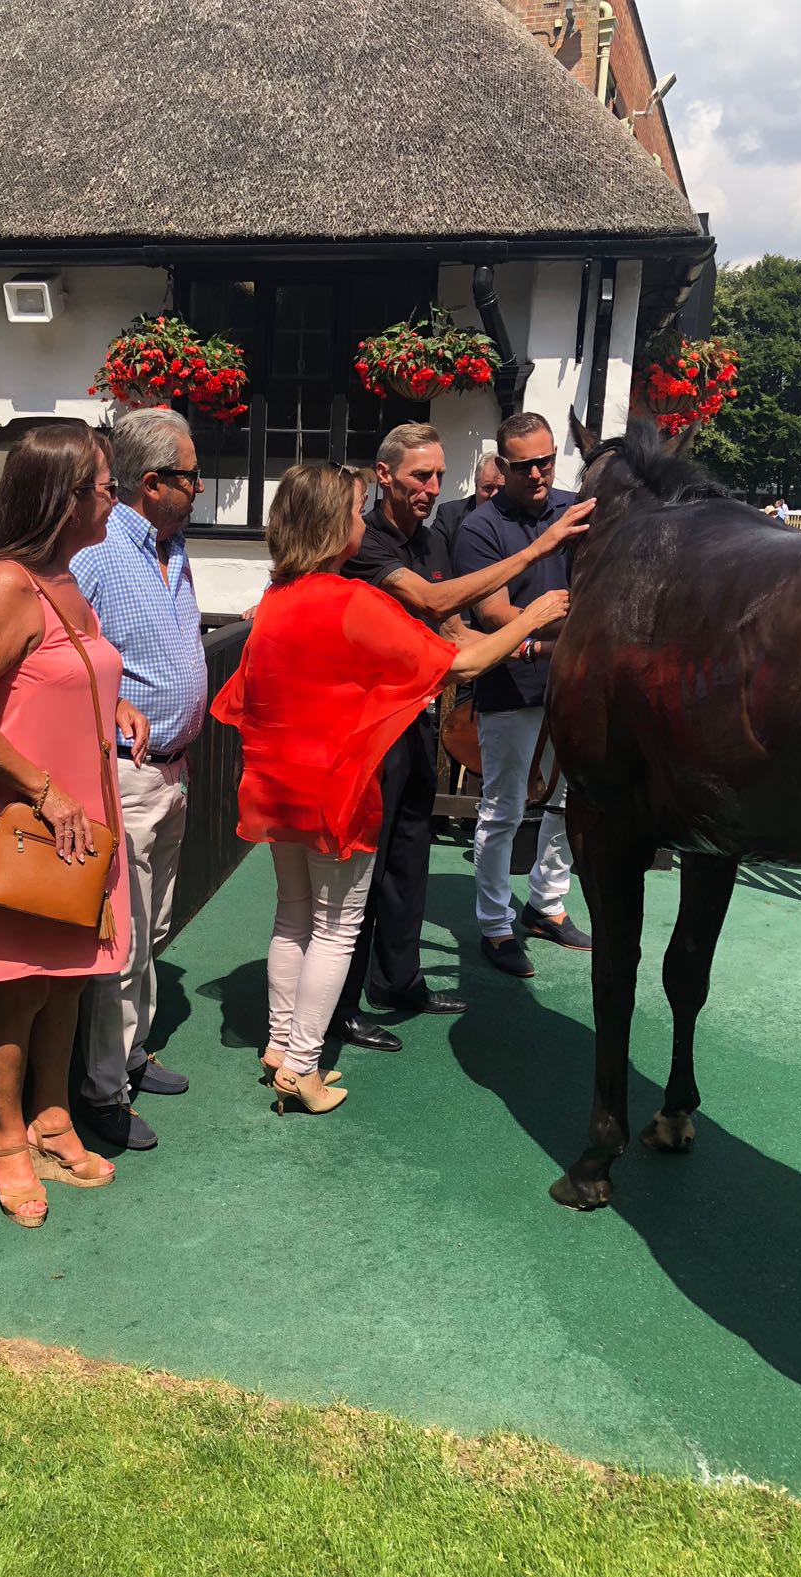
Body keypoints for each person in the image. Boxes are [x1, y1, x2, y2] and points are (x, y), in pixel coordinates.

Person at [212, 462, 569, 1112]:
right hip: (338, 786)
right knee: (336, 926)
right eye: (354, 511)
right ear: (332, 526)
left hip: (278, 779)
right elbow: (465, 662)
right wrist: (535, 615)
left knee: (293, 915)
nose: (362, 520)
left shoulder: (276, 600)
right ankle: (303, 1067)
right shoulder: (353, 600)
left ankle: (281, 1046)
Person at [0, 422, 150, 1229]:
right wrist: (45, 789)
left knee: (66, 978)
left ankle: (53, 1117)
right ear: (64, 496)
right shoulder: (4, 583)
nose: (115, 499)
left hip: (76, 817)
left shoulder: (64, 578)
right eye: (105, 487)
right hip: (28, 819)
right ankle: (7, 1136)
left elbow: (67, 669)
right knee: (22, 985)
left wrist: (114, 703)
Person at [330, 423, 592, 1050]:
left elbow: (456, 636)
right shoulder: (367, 543)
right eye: (421, 476)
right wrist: (537, 568)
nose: (432, 487)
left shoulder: (429, 539)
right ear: (384, 475)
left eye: (439, 476)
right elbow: (433, 600)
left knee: (408, 860)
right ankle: (339, 1006)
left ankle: (398, 982)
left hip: (415, 720)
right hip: (368, 731)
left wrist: (531, 647)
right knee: (361, 875)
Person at [70, 409, 208, 1151]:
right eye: (191, 476)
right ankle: (101, 1092)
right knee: (120, 942)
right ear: (152, 483)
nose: (200, 487)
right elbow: (60, 655)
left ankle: (129, 1054)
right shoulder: (96, 554)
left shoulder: (173, 547)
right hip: (122, 774)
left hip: (170, 772)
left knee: (151, 929)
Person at [452, 411, 594, 978]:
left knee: (567, 802)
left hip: (573, 684)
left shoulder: (578, 509)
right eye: (523, 465)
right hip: (511, 684)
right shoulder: (480, 527)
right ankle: (495, 924)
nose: (537, 473)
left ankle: (546, 905)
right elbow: (493, 614)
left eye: (546, 460)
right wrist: (580, 627)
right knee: (504, 808)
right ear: (502, 466)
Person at [432, 451, 505, 567]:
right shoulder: (449, 515)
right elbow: (433, 558)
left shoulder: (521, 517)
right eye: (488, 488)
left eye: (501, 489)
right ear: (476, 487)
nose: (494, 495)